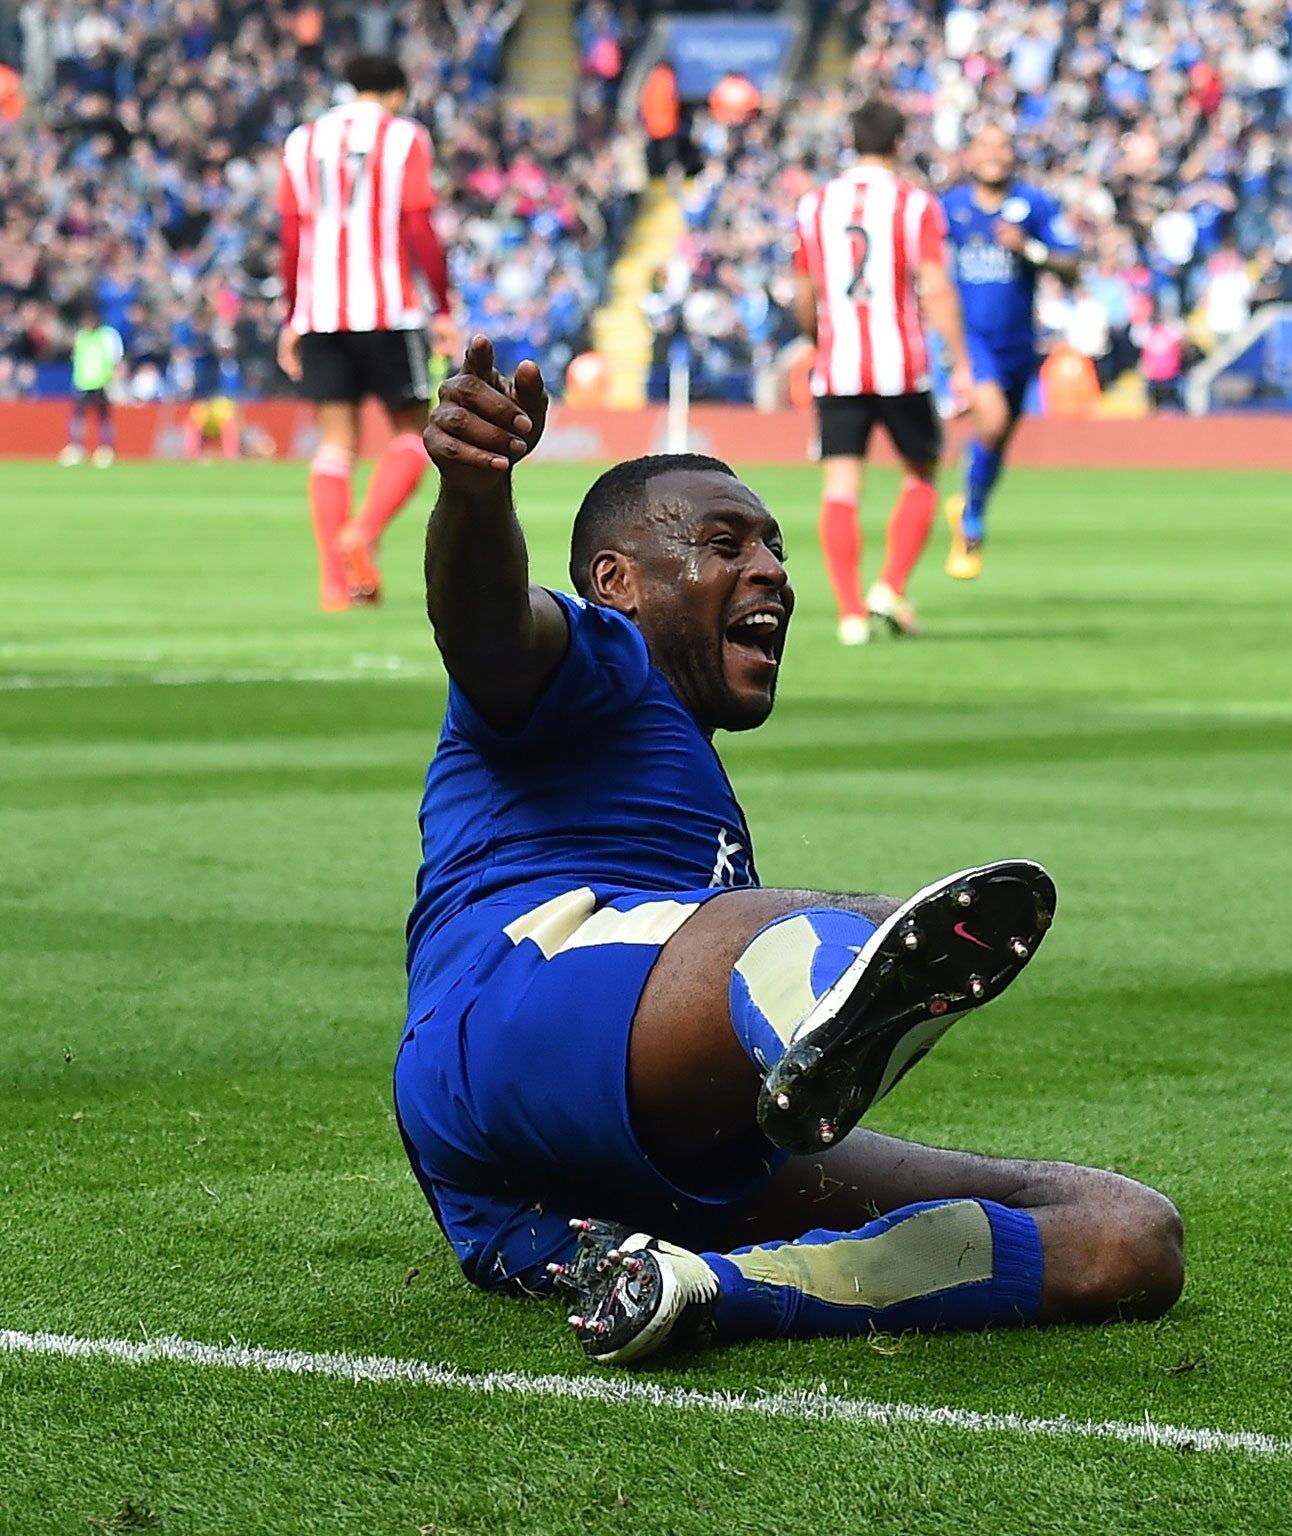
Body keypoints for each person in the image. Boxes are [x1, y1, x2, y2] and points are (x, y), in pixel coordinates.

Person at [396, 336, 1183, 1366]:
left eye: (774, 550)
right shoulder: (592, 658)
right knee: (809, 927)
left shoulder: (688, 786)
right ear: (616, 581)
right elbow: (486, 624)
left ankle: (703, 1285)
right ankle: (820, 1027)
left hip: (577, 1169)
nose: (770, 570)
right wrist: (474, 491)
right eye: (725, 545)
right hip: (505, 1016)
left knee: (1122, 1232)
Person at [276, 52, 460, 610]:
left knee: (336, 443)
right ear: (396, 92)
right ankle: (363, 531)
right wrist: (444, 305)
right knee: (412, 433)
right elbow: (418, 223)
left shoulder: (301, 140)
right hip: (387, 309)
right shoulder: (404, 137)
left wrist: (291, 312)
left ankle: (335, 583)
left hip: (320, 310)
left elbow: (290, 235)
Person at [791, 99, 977, 644]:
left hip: (839, 364)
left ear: (851, 140)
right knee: (921, 471)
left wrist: (816, 341)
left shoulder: (815, 205)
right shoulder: (914, 205)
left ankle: (850, 614)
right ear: (899, 143)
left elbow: (805, 293)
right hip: (901, 364)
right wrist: (961, 362)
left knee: (841, 486)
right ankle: (888, 587)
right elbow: (935, 286)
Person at [938, 123, 1080, 580]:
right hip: (973, 339)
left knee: (998, 438)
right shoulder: (951, 208)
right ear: (971, 154)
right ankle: (972, 515)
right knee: (993, 420)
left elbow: (1071, 264)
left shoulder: (1033, 205)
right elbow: (931, 268)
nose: (994, 153)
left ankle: (971, 505)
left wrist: (1031, 250)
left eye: (1002, 145)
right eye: (985, 144)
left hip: (1019, 345)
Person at [60, 303, 121, 467]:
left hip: (101, 383)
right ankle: (77, 448)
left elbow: (115, 360)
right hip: (83, 383)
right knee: (78, 418)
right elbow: (77, 359)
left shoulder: (108, 336)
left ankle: (106, 449)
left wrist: (113, 381)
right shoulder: (81, 336)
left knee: (103, 417)